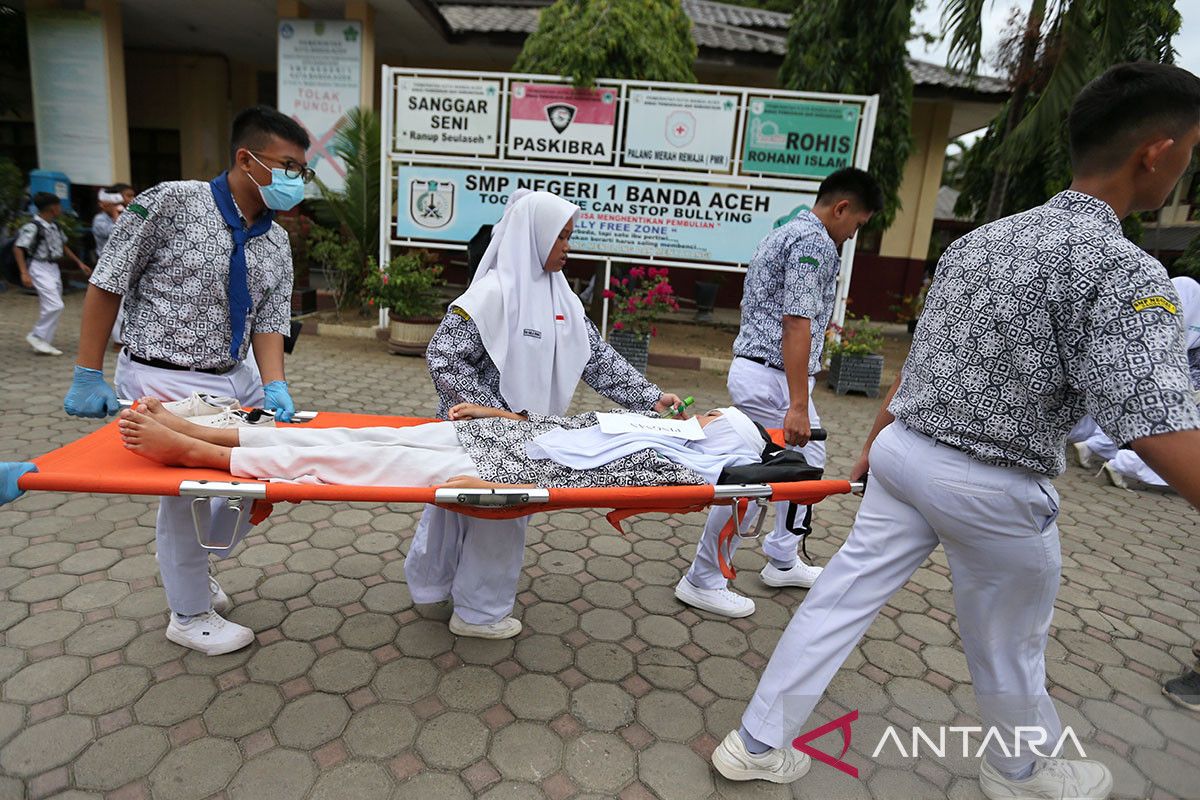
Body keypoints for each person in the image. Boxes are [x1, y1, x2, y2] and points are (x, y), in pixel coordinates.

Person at [711, 62, 1200, 800]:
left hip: (907, 455)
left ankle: (754, 744)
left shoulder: (980, 242)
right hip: (993, 487)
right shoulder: (1125, 271)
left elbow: (916, 368)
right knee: (1008, 647)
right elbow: (1159, 427)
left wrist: (875, 448)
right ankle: (1021, 771)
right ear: (1156, 152)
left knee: (837, 601)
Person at [62, 105, 311, 656]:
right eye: (288, 166)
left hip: (235, 376)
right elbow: (107, 284)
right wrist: (87, 372)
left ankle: (193, 566)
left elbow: (269, 321)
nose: (297, 180)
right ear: (247, 159)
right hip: (164, 377)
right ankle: (190, 613)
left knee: (251, 477)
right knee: (189, 495)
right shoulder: (171, 203)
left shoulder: (273, 241)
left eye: (303, 170)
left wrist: (274, 385)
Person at [404, 189, 686, 640]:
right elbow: (444, 356)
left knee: (485, 515)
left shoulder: (564, 300)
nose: (567, 248)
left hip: (525, 436)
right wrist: (492, 416)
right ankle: (475, 612)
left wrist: (652, 399)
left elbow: (598, 359)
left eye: (569, 238)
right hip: (476, 433)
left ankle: (444, 594)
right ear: (534, 237)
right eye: (561, 238)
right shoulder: (491, 294)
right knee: (472, 513)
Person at [674, 168, 883, 618]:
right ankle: (702, 578)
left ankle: (783, 558)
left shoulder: (787, 232)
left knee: (808, 463)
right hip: (773, 380)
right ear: (841, 208)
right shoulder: (813, 243)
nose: (854, 236)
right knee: (750, 480)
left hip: (768, 374)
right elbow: (797, 321)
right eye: (858, 225)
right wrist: (797, 404)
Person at [113, 398, 766, 490]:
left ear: (720, 436)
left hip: (490, 462)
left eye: (713, 415)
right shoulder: (655, 431)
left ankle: (206, 455)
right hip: (493, 433)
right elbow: (568, 425)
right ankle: (210, 430)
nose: (699, 411)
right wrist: (494, 410)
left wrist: (493, 488)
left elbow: (586, 481)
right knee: (349, 434)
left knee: (345, 460)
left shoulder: (671, 465)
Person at [1071, 275, 1200, 490]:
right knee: (1149, 425)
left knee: (1129, 416)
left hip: (1159, 375)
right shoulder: (1185, 290)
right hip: (1157, 374)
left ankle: (1093, 447)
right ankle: (1122, 463)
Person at [14, 192, 91, 356]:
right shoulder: (33, 226)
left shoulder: (55, 226)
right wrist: (24, 273)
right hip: (39, 267)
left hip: (53, 268)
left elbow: (63, 246)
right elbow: (18, 248)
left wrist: (79, 263)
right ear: (53, 208)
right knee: (55, 305)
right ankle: (36, 335)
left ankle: (43, 343)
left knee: (49, 305)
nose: (61, 209)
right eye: (59, 206)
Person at [92, 183, 135, 348]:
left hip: (125, 266)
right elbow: (118, 233)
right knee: (115, 304)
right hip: (108, 266)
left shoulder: (125, 214)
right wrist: (117, 216)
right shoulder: (100, 220)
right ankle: (118, 340)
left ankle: (124, 336)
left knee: (125, 303)